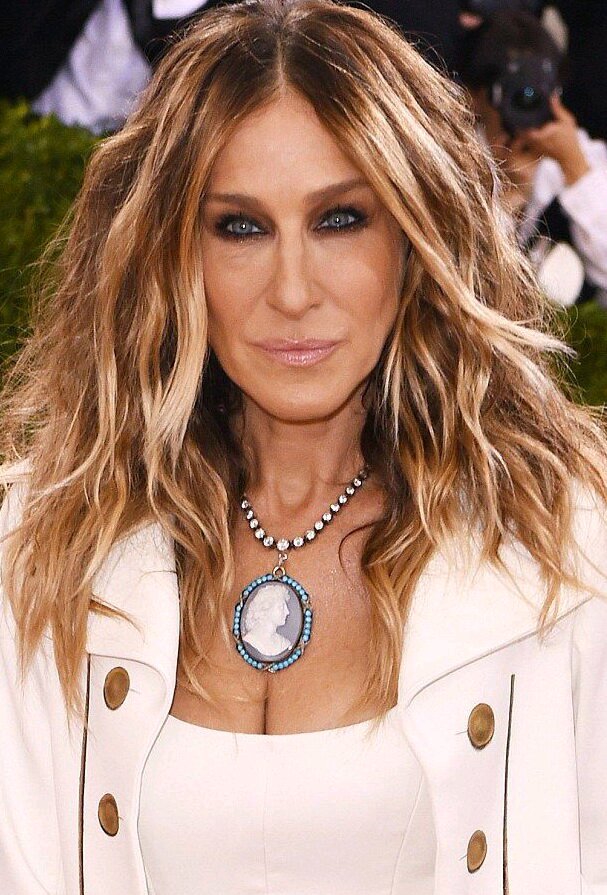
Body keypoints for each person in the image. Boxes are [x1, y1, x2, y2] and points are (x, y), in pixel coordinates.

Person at [1, 1, 607, 893]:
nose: (291, 291)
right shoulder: (45, 546)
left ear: (415, 240)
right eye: (240, 227)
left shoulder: (563, 548)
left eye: (340, 219)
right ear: (173, 255)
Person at [459, 10, 607, 308]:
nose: (526, 101)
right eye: (514, 90)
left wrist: (576, 169)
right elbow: (463, 285)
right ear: (472, 94)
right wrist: (511, 196)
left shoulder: (575, 152)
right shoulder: (453, 154)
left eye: (537, 91)